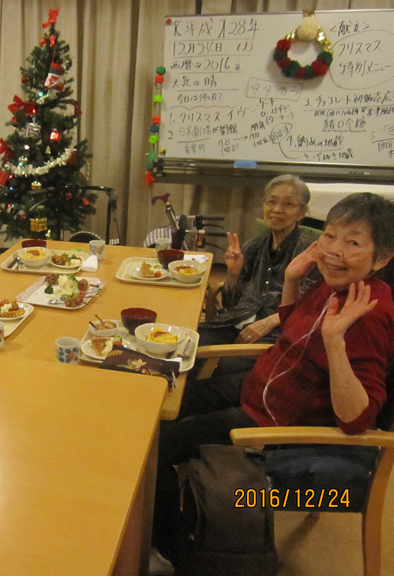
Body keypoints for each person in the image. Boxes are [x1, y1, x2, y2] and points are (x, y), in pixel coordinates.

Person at [153, 192, 394, 564]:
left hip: (271, 425)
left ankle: (179, 551)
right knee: (157, 400)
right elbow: (296, 329)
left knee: (154, 449)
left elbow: (357, 419)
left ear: (382, 258)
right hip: (259, 389)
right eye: (329, 236)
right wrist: (291, 280)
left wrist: (334, 341)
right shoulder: (337, 286)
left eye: (353, 242)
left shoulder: (369, 314)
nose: (333, 250)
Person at [199, 174, 321, 347]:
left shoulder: (309, 252)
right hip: (237, 321)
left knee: (229, 365)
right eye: (271, 202)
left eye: (288, 204)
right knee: (192, 341)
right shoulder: (253, 247)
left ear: (301, 213)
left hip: (276, 332)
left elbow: (312, 306)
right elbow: (231, 304)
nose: (277, 209)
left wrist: (271, 321)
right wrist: (233, 274)